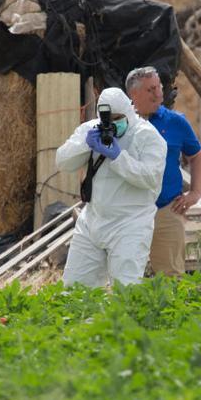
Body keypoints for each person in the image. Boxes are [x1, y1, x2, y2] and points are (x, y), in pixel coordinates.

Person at [56, 87, 167, 287]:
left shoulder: (147, 136)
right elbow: (62, 161)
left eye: (118, 118)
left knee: (126, 291)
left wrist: (118, 157)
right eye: (108, 119)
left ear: (129, 111)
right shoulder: (92, 129)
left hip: (131, 223)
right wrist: (85, 145)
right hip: (92, 221)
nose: (113, 124)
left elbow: (151, 178)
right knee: (74, 291)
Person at [125, 66, 201, 276]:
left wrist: (196, 193)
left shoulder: (176, 122)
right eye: (150, 89)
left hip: (167, 211)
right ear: (133, 94)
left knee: (171, 278)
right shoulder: (122, 125)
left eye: (159, 87)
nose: (159, 93)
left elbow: (197, 156)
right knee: (125, 276)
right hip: (129, 212)